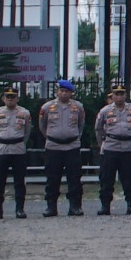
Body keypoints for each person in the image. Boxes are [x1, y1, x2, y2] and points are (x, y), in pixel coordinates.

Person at [91, 83, 131, 216]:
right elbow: (98, 129)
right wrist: (102, 143)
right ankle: (105, 206)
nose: (119, 97)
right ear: (112, 96)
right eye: (116, 94)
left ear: (125, 95)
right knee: (106, 179)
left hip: (127, 148)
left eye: (122, 94)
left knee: (128, 179)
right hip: (110, 147)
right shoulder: (105, 111)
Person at [39, 80, 87, 218]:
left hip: (72, 146)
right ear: (57, 92)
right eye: (61, 91)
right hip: (54, 146)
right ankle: (51, 207)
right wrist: (51, 137)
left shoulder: (78, 107)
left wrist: (73, 136)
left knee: (74, 178)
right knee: (52, 178)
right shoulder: (47, 107)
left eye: (66, 91)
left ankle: (75, 206)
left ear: (71, 93)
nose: (64, 93)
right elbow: (42, 126)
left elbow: (80, 125)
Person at [0, 84, 32, 219]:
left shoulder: (24, 113)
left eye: (13, 97)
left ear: (17, 98)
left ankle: (20, 209)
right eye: (8, 97)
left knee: (19, 181)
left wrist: (20, 142)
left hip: (18, 148)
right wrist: (1, 140)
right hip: (2, 149)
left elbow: (27, 132)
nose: (10, 100)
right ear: (3, 98)